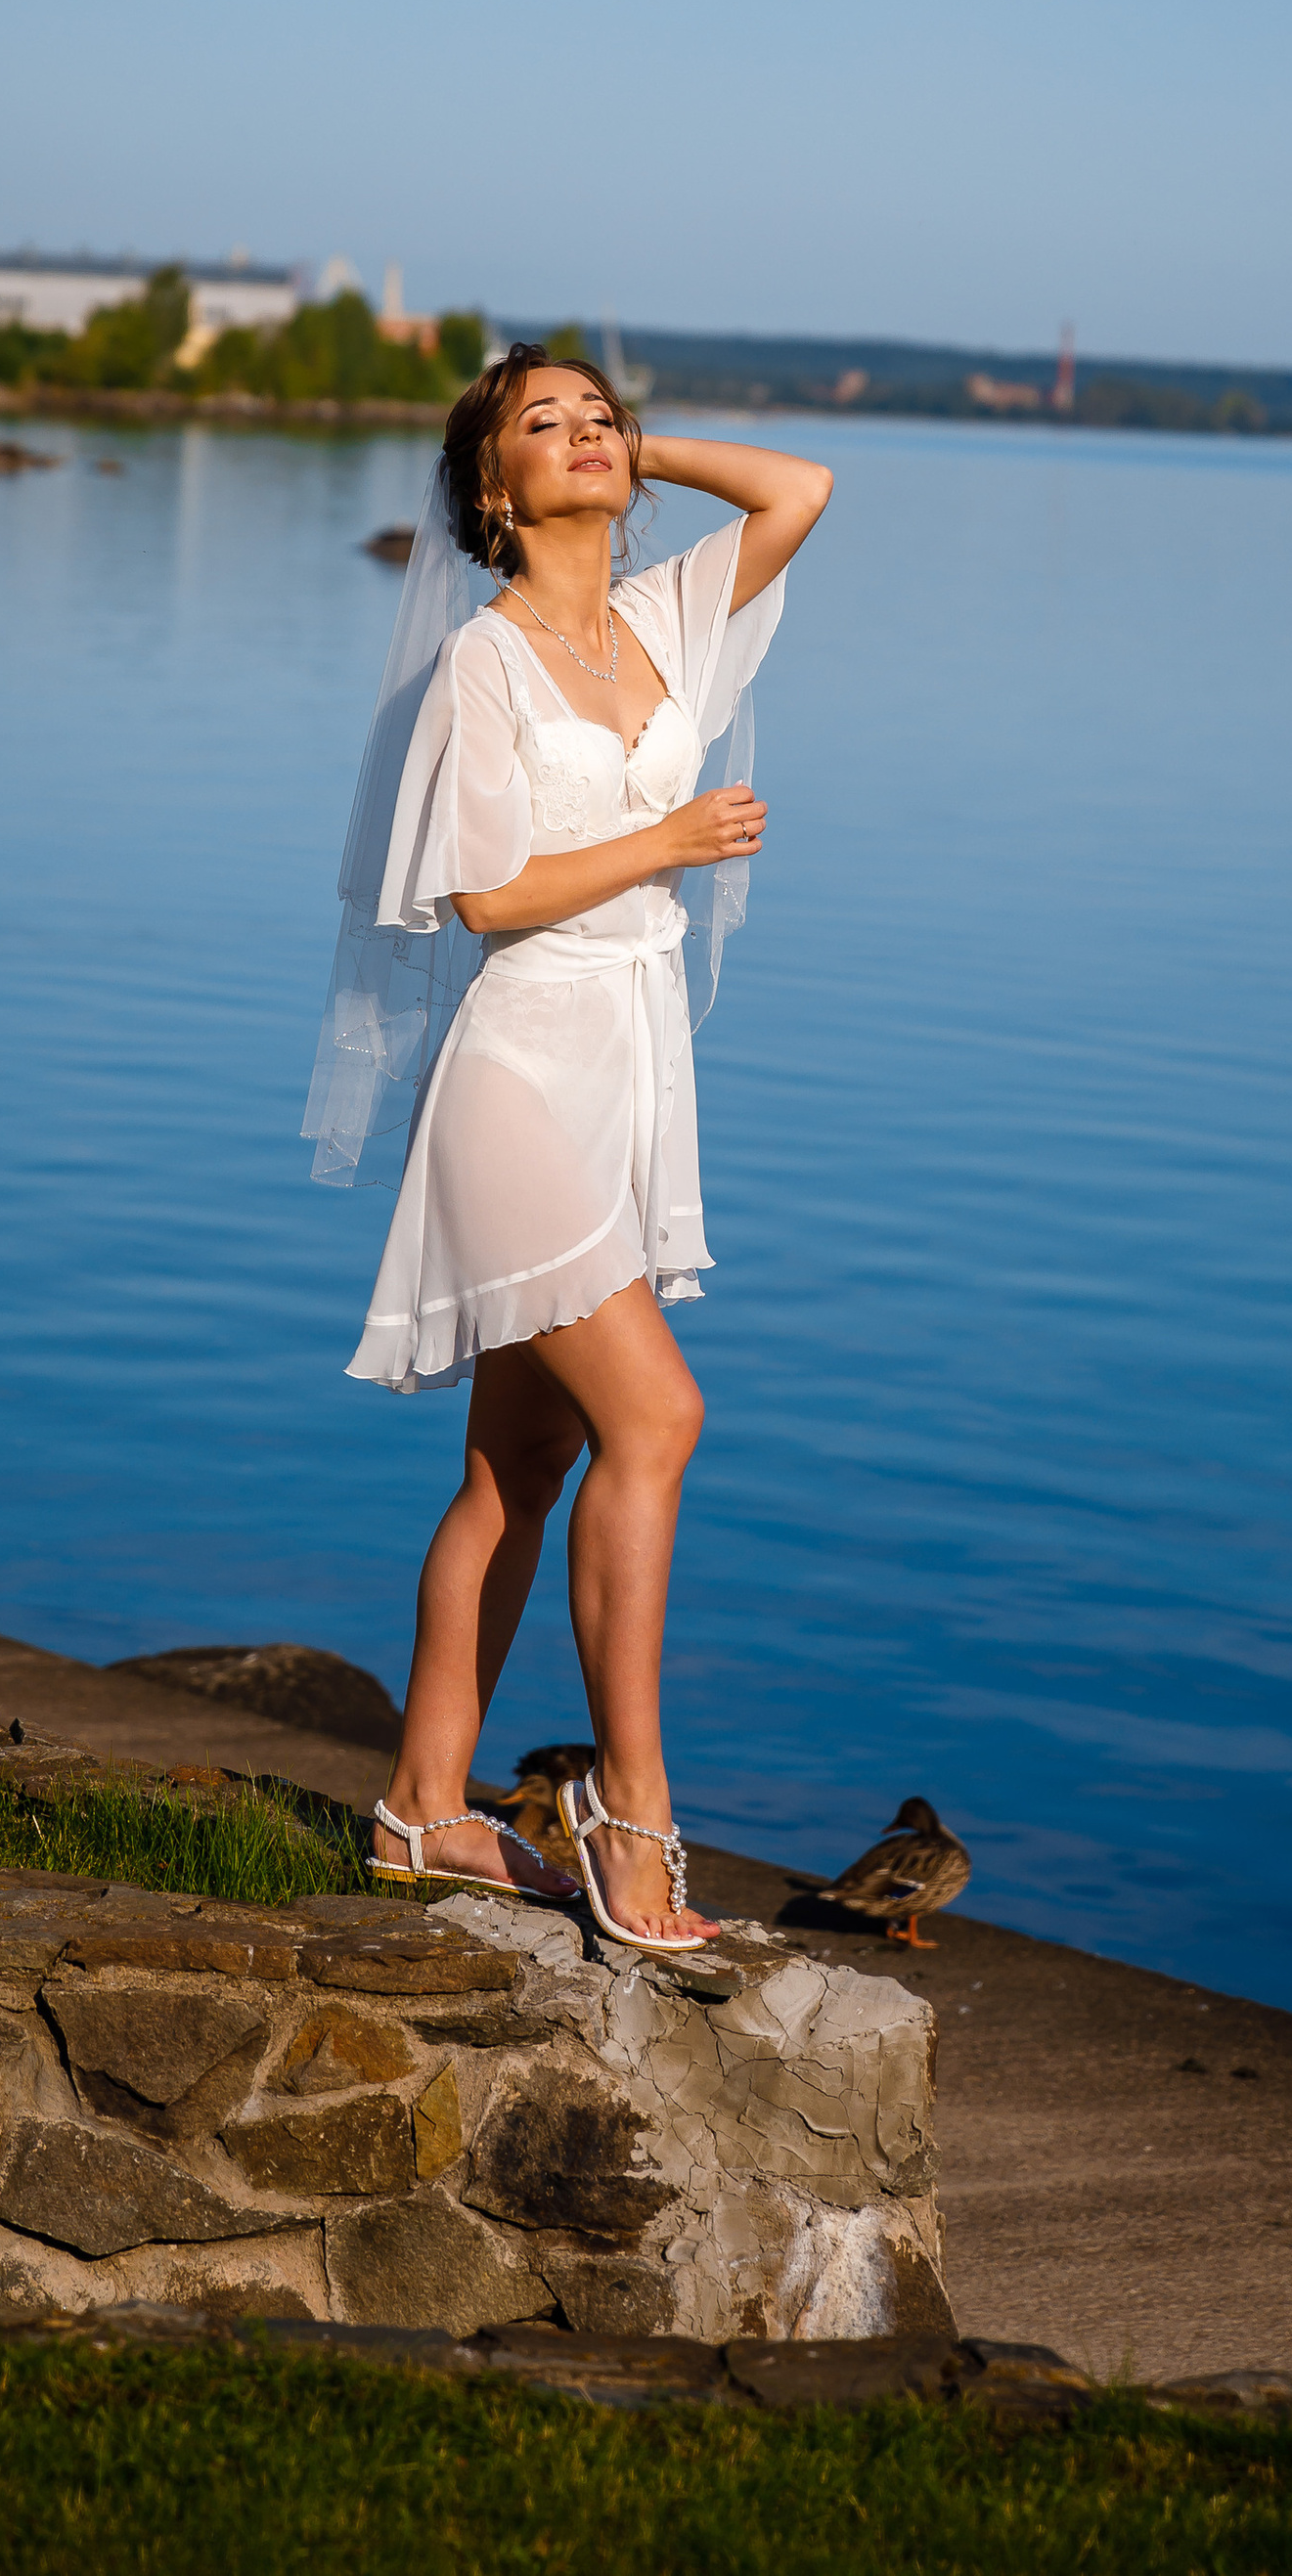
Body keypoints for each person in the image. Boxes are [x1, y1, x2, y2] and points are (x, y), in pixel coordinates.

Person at [307, 345, 830, 1951]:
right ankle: (631, 1812)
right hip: (520, 1072)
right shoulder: (485, 661)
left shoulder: (666, 618)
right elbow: (485, 899)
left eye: (600, 414)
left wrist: (639, 447)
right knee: (658, 1416)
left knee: (517, 1467)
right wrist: (669, 837)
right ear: (490, 487)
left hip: (631, 1070)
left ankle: (421, 1807)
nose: (588, 434)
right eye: (547, 423)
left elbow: (800, 489)